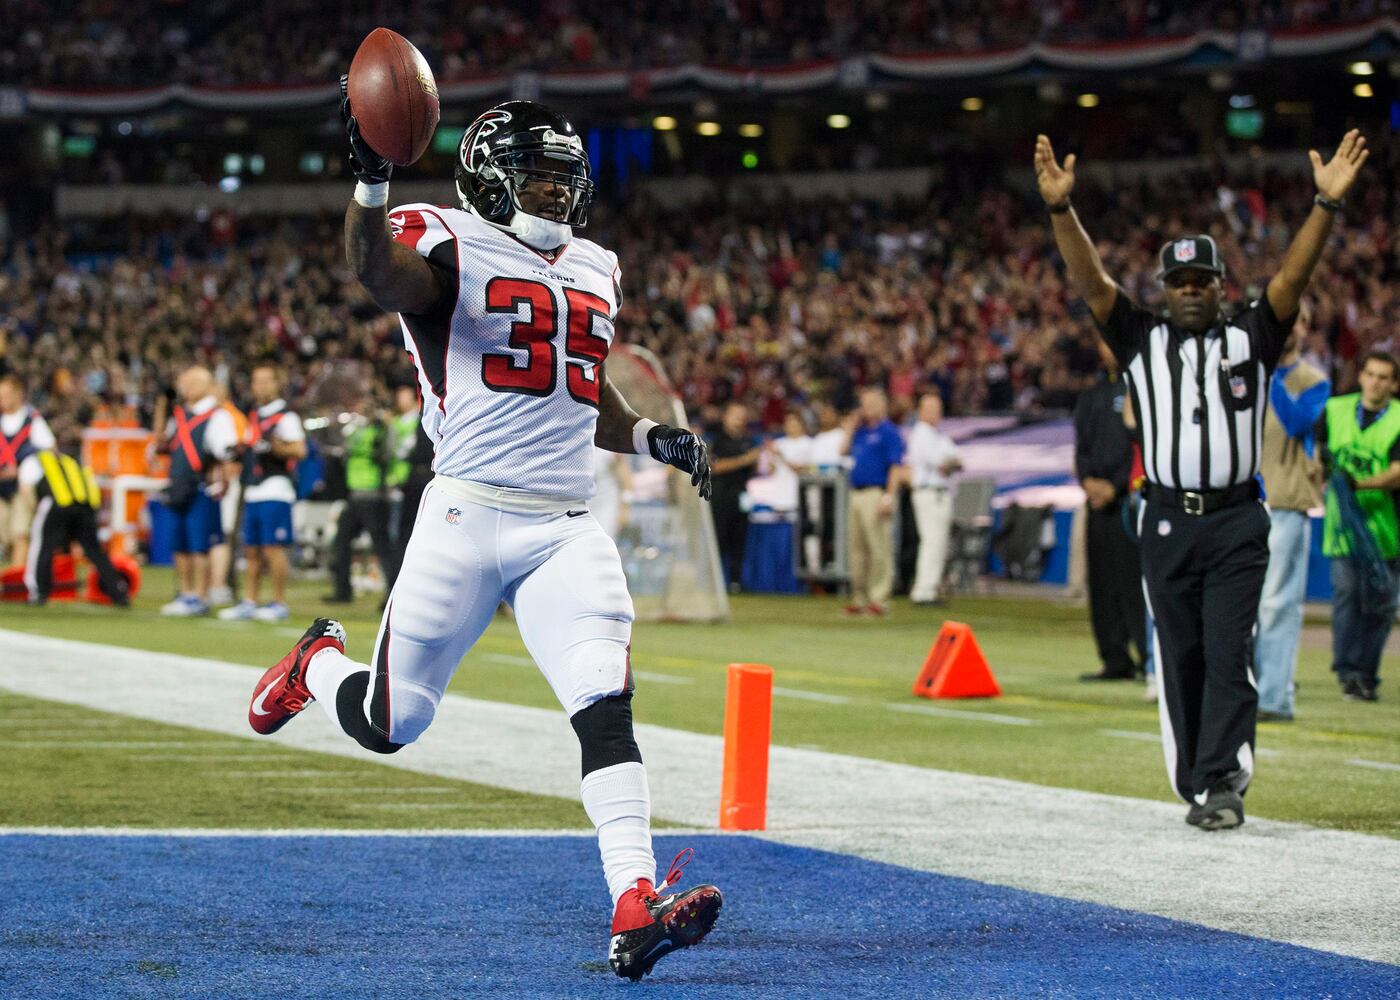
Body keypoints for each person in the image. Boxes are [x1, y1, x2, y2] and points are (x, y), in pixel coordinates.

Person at [247, 90, 721, 981]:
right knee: (393, 724)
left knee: (604, 704)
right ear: (488, 182)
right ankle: (317, 665)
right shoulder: (447, 239)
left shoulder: (597, 266)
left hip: (565, 525)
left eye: (564, 181)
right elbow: (379, 273)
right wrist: (371, 181)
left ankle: (634, 902)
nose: (555, 195)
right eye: (536, 180)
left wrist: (650, 434)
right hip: (465, 512)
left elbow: (577, 382)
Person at [1035, 128, 1368, 830]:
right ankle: (1196, 779)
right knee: (1180, 652)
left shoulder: (1253, 335)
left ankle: (1221, 782)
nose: (1190, 292)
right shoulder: (1140, 339)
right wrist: (1062, 211)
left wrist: (1326, 206)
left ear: (1221, 288)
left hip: (1237, 519)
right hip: (1164, 519)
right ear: (1165, 291)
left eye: (1202, 282)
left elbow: (1291, 281)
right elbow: (1092, 283)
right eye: (1179, 283)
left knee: (1227, 648)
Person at [1255, 309, 1330, 720]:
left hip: (1286, 502)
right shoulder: (1245, 374)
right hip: (1243, 503)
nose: (1287, 327)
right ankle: (1247, 694)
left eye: (1295, 320)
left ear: (1304, 328)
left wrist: (1266, 372)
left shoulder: (1314, 380)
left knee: (1276, 606)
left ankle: (1274, 698)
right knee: (1243, 609)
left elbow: (1295, 421)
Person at [1317, 350, 1400, 703]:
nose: (1376, 383)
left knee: (1380, 605)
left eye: (1384, 377)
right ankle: (1349, 671)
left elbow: (1397, 472)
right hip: (1344, 528)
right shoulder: (1335, 409)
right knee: (1347, 594)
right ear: (1361, 376)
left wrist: (1357, 484)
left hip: (1387, 529)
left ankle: (1365, 672)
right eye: (1371, 374)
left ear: (1393, 385)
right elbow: (1315, 450)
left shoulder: (1398, 419)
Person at [1073, 338, 1146, 681]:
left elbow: (1139, 448)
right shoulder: (1092, 396)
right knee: (1101, 584)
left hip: (1127, 501)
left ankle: (1147, 657)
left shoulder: (1141, 390)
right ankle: (1114, 657)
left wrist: (1115, 487)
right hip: (1096, 502)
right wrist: (1087, 481)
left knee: (1133, 583)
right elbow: (1081, 447)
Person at [220, 364, 307, 622]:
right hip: (254, 489)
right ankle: (250, 601)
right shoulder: (255, 415)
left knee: (273, 548)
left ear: (277, 384)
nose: (261, 386)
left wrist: (274, 446)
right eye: (257, 381)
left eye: (267, 381)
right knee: (252, 550)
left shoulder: (285, 417)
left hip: (276, 489)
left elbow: (299, 450)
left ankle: (279, 602)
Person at [159, 366, 239, 616]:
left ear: (205, 385)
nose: (185, 388)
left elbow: (226, 450)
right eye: (184, 383)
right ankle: (186, 593)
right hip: (179, 485)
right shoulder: (180, 415)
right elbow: (164, 443)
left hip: (202, 486)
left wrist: (222, 479)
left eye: (191, 383)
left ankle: (201, 595)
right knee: (180, 544)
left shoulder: (217, 415)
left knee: (200, 545)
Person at [19, 443, 128, 607]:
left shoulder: (33, 460)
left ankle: (39, 592)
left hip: (57, 503)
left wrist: (35, 512)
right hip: (85, 506)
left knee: (42, 547)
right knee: (94, 551)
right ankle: (118, 592)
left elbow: (26, 490)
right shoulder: (70, 460)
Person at [323, 398, 399, 604]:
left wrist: (384, 425)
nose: (362, 411)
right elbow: (342, 450)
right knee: (341, 543)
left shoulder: (382, 430)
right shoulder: (355, 430)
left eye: (367, 407)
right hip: (354, 495)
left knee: (381, 547)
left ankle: (393, 593)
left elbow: (388, 454)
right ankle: (343, 591)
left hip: (375, 496)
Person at [842, 386, 906, 616]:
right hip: (856, 492)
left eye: (871, 404)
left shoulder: (889, 432)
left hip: (876, 493)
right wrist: (849, 429)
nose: (866, 408)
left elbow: (896, 467)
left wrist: (888, 497)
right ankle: (860, 597)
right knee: (857, 548)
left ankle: (879, 597)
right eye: (864, 404)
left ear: (882, 406)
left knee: (879, 547)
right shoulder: (860, 432)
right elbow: (842, 451)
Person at [905, 392, 961, 605]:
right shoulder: (921, 434)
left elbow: (959, 461)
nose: (936, 413)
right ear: (921, 411)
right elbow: (943, 464)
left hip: (940, 492)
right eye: (931, 409)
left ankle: (929, 588)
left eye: (938, 409)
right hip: (929, 492)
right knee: (932, 541)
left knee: (938, 543)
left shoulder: (939, 436)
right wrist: (949, 463)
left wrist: (950, 463)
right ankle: (923, 591)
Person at [0, 375, 55, 569]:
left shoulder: (31, 419)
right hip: (1, 487)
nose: (2, 400)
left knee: (20, 532)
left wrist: (26, 467)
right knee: (5, 535)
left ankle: (17, 578)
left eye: (6, 395)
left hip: (22, 487)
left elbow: (50, 448)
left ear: (18, 394)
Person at [707, 401, 760, 592]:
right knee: (719, 539)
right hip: (721, 494)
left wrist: (759, 463)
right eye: (735, 415)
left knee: (739, 539)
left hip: (742, 494)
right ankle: (714, 583)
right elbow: (715, 467)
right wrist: (745, 460)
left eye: (742, 415)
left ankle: (735, 582)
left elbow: (754, 469)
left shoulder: (748, 441)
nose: (739, 419)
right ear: (725, 417)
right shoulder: (718, 440)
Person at [388, 380, 434, 561]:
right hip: (406, 480)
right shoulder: (400, 421)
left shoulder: (418, 419)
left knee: (409, 527)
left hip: (418, 478)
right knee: (405, 528)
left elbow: (403, 450)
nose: (399, 399)